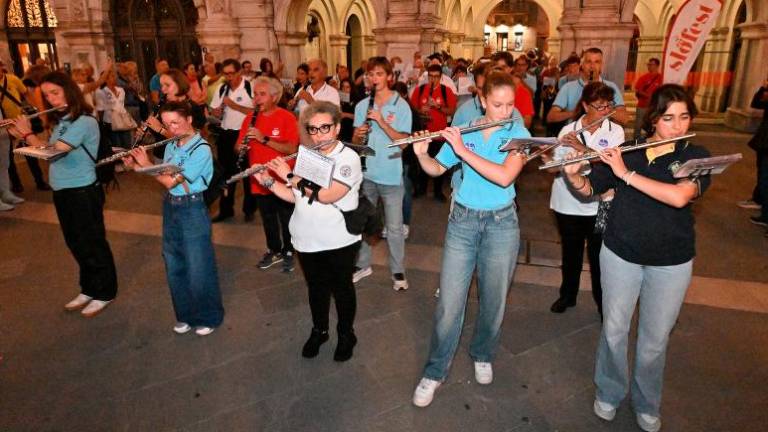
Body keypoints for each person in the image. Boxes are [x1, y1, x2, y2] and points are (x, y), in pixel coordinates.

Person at [561, 84, 711, 432]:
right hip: (621, 253)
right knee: (614, 329)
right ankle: (610, 391)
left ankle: (647, 402)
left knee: (654, 340)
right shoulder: (627, 151)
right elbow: (593, 191)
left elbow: (679, 197)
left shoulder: (696, 154)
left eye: (684, 117)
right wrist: (573, 175)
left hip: (671, 261)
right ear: (653, 119)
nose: (676, 125)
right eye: (668, 118)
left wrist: (626, 173)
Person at [410, 72, 530, 408]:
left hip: (502, 223)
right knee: (449, 302)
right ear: (481, 99)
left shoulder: (520, 134)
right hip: (463, 221)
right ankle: (435, 371)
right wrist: (421, 154)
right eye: (497, 104)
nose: (505, 111)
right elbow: (437, 169)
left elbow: (505, 177)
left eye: (509, 105)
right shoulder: (465, 130)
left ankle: (483, 352)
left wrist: (462, 149)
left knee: (494, 299)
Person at [253, 101, 363, 361]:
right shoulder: (308, 155)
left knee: (342, 288)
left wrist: (289, 175)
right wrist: (268, 181)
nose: (318, 135)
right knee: (316, 288)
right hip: (305, 237)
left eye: (325, 128)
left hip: (338, 239)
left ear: (337, 128)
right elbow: (295, 197)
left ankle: (346, 333)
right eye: (313, 130)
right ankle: (320, 330)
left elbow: (328, 195)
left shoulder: (348, 158)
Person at [9, 71, 118, 317]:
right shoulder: (62, 121)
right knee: (75, 242)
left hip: (83, 191)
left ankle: (105, 291)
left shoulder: (85, 121)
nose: (52, 100)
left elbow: (55, 153)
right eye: (47, 96)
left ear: (69, 91)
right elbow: (48, 149)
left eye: (55, 93)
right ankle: (89, 288)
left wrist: (27, 135)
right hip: (63, 190)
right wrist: (27, 138)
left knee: (92, 242)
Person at [122, 101, 224, 336]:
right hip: (171, 206)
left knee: (199, 266)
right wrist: (136, 166)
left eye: (176, 123)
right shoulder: (172, 144)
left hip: (192, 208)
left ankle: (208, 315)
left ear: (189, 120)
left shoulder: (202, 149)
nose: (172, 129)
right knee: (174, 263)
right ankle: (185, 314)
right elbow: (163, 173)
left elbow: (170, 180)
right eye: (167, 124)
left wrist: (147, 164)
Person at [545, 82, 624, 317]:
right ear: (585, 105)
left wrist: (582, 148)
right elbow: (555, 167)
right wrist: (544, 153)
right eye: (599, 107)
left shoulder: (615, 131)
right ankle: (567, 295)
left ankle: (603, 304)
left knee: (600, 258)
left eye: (609, 106)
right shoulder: (568, 130)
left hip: (599, 204)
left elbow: (613, 165)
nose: (605, 111)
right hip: (566, 204)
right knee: (571, 254)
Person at [351, 57, 412, 290]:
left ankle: (398, 271)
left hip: (390, 175)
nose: (374, 78)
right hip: (367, 173)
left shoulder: (401, 105)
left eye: (378, 74)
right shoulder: (361, 106)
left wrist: (382, 122)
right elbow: (357, 141)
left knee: (395, 227)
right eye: (370, 74)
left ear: (389, 77)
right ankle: (363, 264)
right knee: (366, 223)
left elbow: (404, 142)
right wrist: (358, 133)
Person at [235, 76, 299, 270]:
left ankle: (289, 250)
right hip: (259, 178)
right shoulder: (249, 119)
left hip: (282, 179)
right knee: (268, 218)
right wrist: (242, 147)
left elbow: (290, 148)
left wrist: (264, 139)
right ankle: (274, 249)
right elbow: (237, 147)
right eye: (255, 94)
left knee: (286, 218)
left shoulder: (287, 117)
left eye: (262, 94)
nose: (257, 99)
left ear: (275, 96)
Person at [210, 58, 255, 222]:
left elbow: (255, 112)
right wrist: (217, 111)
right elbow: (214, 111)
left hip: (245, 135)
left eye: (231, 73)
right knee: (226, 174)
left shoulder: (250, 86)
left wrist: (234, 105)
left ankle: (249, 209)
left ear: (239, 72)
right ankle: (226, 209)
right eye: (226, 74)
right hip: (226, 134)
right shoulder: (222, 89)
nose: (229, 77)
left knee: (247, 172)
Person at [410, 64, 458, 201]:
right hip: (424, 133)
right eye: (431, 76)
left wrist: (438, 107)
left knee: (439, 162)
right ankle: (421, 189)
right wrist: (421, 110)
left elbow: (452, 111)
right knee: (422, 161)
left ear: (441, 77)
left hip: (439, 134)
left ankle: (438, 191)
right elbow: (412, 109)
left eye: (436, 77)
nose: (433, 79)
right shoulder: (419, 90)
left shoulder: (446, 91)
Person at [2, 61, 51, 193]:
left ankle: (39, 181)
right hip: (3, 125)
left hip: (19, 121)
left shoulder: (12, 79)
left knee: (30, 152)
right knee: (8, 156)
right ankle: (16, 184)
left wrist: (38, 112)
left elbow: (26, 94)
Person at [548, 47, 628, 126]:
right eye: (588, 61)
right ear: (581, 65)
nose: (592, 66)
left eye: (597, 62)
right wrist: (576, 113)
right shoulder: (568, 87)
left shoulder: (611, 87)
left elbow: (624, 119)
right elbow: (551, 117)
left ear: (601, 66)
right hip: (574, 134)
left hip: (602, 136)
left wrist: (604, 110)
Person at [737, 76, 768, 230]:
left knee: (765, 178)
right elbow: (756, 103)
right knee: (762, 174)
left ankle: (766, 215)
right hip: (763, 142)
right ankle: (759, 200)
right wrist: (763, 88)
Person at [490, 51, 534, 128]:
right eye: (496, 67)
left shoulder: (522, 92)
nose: (499, 70)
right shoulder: (487, 89)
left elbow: (527, 123)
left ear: (511, 69)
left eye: (503, 67)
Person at [94, 68, 133, 149]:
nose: (115, 78)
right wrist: (102, 123)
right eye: (112, 76)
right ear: (106, 79)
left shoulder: (121, 90)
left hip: (123, 119)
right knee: (117, 145)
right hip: (110, 121)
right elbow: (100, 108)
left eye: (114, 76)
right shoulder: (100, 92)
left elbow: (121, 104)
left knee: (127, 144)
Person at [633, 58, 662, 137]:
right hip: (642, 105)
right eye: (648, 64)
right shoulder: (643, 78)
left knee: (652, 125)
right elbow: (638, 90)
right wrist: (648, 95)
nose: (649, 66)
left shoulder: (661, 78)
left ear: (657, 66)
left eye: (651, 64)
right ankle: (635, 141)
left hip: (655, 107)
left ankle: (650, 140)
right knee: (638, 125)